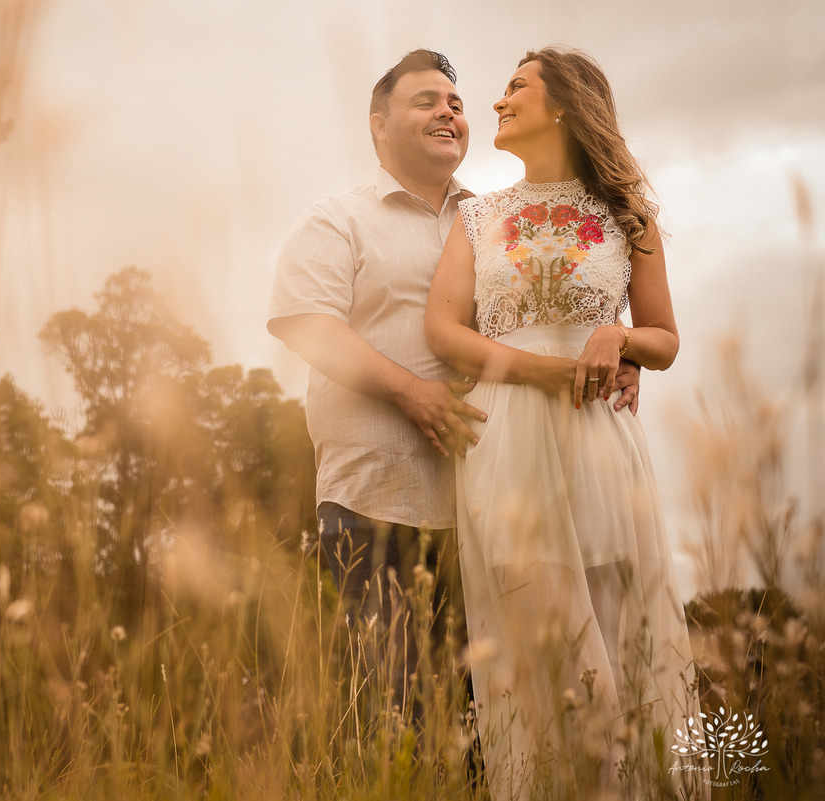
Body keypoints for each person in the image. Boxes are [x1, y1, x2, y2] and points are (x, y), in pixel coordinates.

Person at [266, 49, 640, 719]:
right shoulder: (338, 218)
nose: (449, 112)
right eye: (426, 101)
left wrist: (621, 347)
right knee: (393, 717)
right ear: (379, 125)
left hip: (491, 505)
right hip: (376, 502)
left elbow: (557, 303)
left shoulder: (494, 219)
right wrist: (409, 390)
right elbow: (307, 324)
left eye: (456, 104)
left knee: (494, 721)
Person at [424, 47, 697, 798]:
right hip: (506, 435)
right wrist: (540, 370)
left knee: (612, 635)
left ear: (565, 107)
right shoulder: (477, 217)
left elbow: (665, 339)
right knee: (536, 641)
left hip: (598, 439)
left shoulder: (628, 216)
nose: (498, 101)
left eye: (517, 87)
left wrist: (619, 338)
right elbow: (443, 331)